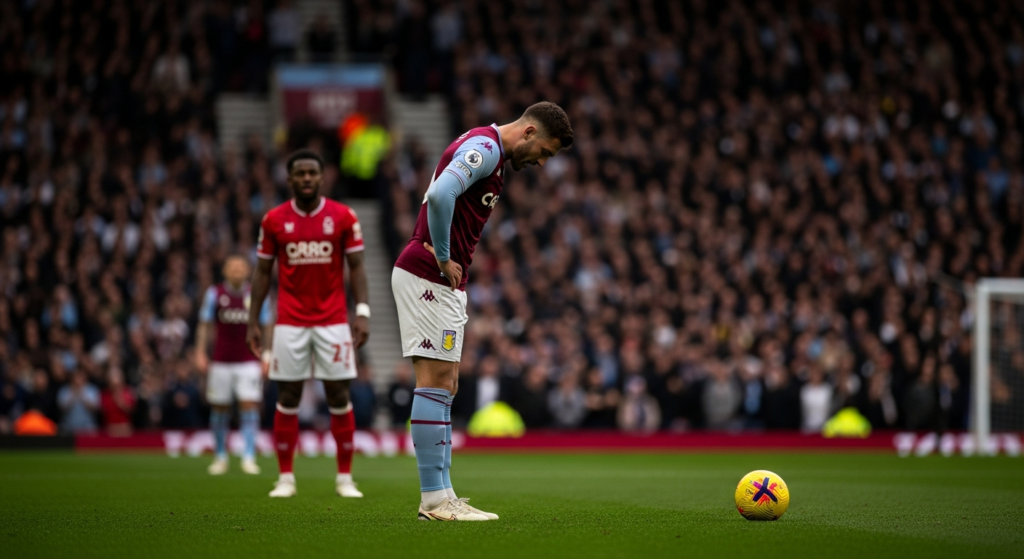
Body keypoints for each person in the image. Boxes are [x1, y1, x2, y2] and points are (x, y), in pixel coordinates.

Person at [391, 101, 573, 521]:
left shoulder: (488, 150)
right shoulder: (486, 147)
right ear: (529, 132)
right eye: (545, 151)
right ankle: (434, 500)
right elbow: (440, 193)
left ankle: (442, 494)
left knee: (446, 383)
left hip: (437, 279)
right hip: (428, 275)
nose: (543, 162)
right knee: (435, 382)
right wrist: (441, 256)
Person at [248, 149, 370, 499]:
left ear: (322, 177)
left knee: (338, 394)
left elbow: (358, 267)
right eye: (299, 173)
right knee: (287, 396)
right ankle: (285, 477)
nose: (305, 179)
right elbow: (262, 273)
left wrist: (362, 311)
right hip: (289, 321)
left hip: (333, 320)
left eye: (311, 173)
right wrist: (254, 321)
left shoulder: (343, 216)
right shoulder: (273, 220)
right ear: (289, 179)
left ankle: (345, 478)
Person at [195, 255, 274, 475]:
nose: (237, 270)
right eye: (233, 267)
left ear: (248, 271)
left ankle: (248, 456)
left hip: (249, 360)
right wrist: (200, 352)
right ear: (225, 271)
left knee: (249, 405)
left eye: (241, 267)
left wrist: (267, 355)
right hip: (220, 361)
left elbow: (267, 325)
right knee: (220, 408)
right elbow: (204, 324)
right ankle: (220, 456)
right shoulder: (214, 294)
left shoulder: (257, 294)